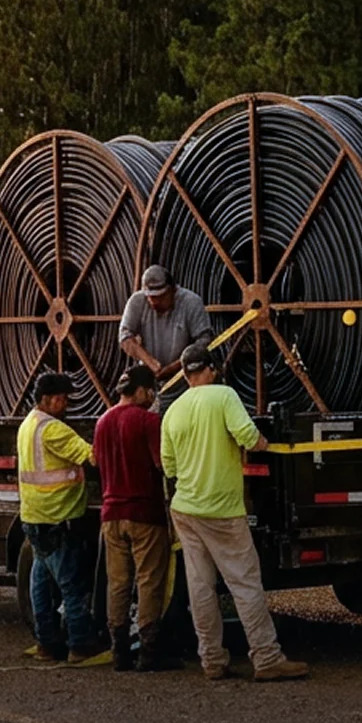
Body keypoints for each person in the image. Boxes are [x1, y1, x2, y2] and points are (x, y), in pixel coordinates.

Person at [160, 342, 309, 683]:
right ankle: (267, 657)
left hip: (185, 509)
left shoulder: (173, 410)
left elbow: (168, 465)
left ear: (184, 374)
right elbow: (246, 435)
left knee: (201, 587)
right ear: (211, 369)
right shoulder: (224, 396)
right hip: (221, 510)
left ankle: (212, 660)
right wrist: (262, 443)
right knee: (244, 583)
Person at [17, 372, 109, 667]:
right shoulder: (54, 430)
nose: (67, 403)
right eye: (63, 398)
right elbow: (93, 456)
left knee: (41, 583)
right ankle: (80, 645)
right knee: (72, 584)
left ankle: (46, 643)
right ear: (47, 399)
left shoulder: (27, 425)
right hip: (59, 516)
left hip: (34, 516)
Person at [92, 367, 177, 672]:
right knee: (148, 582)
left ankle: (119, 653)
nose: (153, 396)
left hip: (111, 515)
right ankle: (150, 653)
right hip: (145, 515)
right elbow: (162, 464)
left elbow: (98, 461)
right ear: (140, 391)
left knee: (118, 583)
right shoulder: (148, 421)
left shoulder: (102, 422)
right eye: (150, 390)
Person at [119, 264, 213, 382]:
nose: (154, 302)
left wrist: (175, 367)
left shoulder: (191, 303)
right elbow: (125, 336)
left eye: (161, 297)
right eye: (150, 297)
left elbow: (205, 341)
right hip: (150, 382)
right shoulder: (137, 301)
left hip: (184, 380)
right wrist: (151, 363)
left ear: (173, 290)